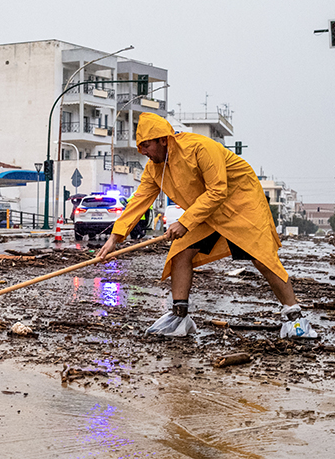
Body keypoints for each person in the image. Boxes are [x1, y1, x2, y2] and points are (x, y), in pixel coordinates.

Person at [96, 113, 314, 338]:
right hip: (206, 211)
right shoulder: (155, 169)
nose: (143, 151)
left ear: (164, 140)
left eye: (146, 145)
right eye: (140, 146)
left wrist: (185, 222)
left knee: (261, 257)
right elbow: (138, 201)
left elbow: (218, 190)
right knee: (180, 253)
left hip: (241, 204)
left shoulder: (200, 148)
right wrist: (115, 238)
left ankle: (295, 318)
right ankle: (179, 317)